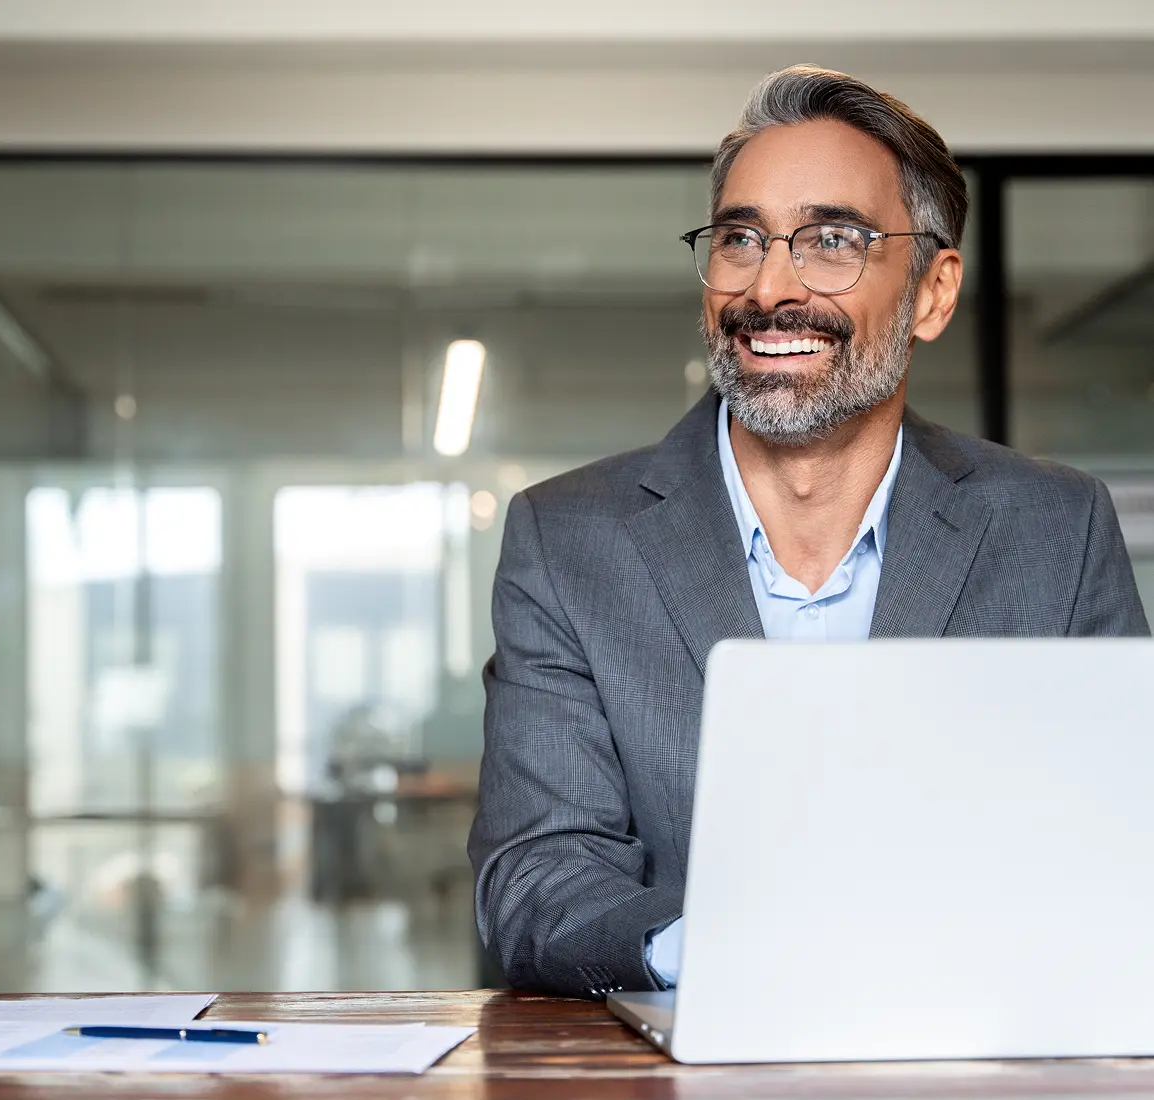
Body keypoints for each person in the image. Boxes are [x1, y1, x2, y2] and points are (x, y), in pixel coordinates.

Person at [468, 65, 1150, 1000]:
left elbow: (1122, 840)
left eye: (833, 240)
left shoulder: (1053, 528)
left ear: (932, 293)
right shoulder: (567, 539)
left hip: (970, 1067)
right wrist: (726, 959)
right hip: (678, 1079)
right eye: (740, 238)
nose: (770, 286)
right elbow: (535, 879)